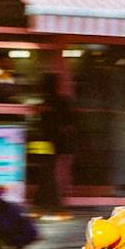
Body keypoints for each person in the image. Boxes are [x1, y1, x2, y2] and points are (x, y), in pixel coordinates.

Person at [31, 72, 73, 220]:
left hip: (43, 143)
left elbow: (43, 124)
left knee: (46, 174)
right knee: (46, 174)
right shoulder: (62, 101)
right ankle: (41, 207)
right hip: (54, 143)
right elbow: (68, 122)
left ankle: (52, 208)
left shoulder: (43, 102)